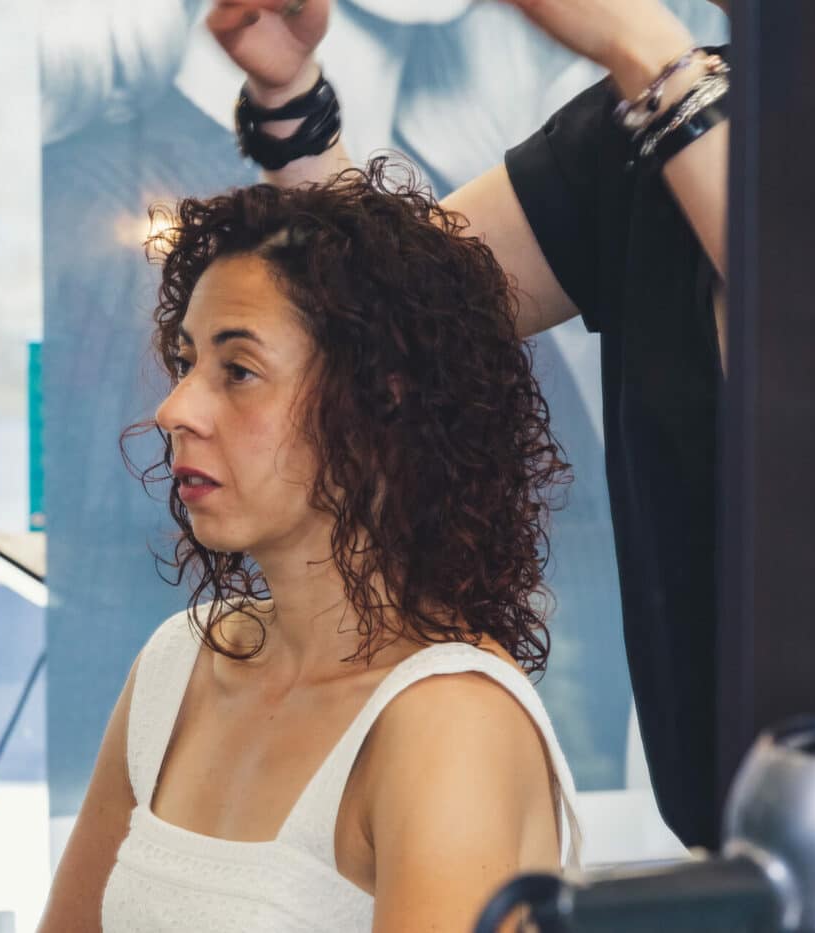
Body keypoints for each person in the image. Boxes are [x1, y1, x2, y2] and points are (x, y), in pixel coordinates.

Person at [208, 0, 731, 850]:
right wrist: (290, 94)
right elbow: (392, 306)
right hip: (749, 841)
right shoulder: (636, 139)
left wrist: (645, 48)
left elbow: (812, 361)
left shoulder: (670, 93)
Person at [38, 157, 583, 931]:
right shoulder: (174, 668)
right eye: (188, 361)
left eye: (239, 369)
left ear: (378, 404)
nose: (175, 408)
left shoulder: (450, 721)